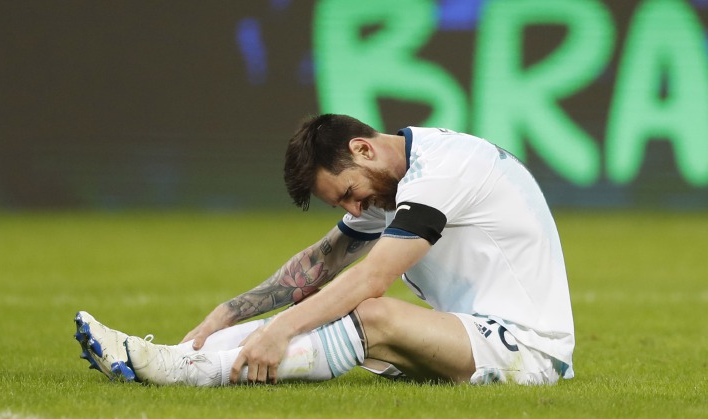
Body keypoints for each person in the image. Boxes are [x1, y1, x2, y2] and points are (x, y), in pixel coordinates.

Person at [74, 114, 575, 386]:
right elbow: (319, 265)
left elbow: (370, 279)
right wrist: (224, 315)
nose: (354, 211)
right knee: (341, 313)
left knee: (372, 314)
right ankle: (170, 355)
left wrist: (282, 330)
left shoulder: (445, 170)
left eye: (348, 195)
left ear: (362, 149)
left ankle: (185, 374)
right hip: (477, 335)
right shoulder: (393, 181)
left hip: (528, 350)